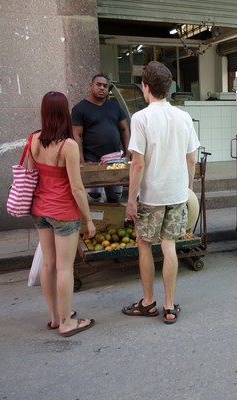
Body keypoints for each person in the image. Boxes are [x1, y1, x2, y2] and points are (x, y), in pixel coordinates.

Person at [122, 61, 200, 324]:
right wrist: (187, 189)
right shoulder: (184, 117)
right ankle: (169, 306)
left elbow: (138, 163)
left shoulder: (141, 118)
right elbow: (192, 159)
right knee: (169, 246)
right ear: (169, 88)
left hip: (152, 195)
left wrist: (130, 200)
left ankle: (148, 302)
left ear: (145, 87)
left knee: (144, 245)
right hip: (176, 194)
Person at [29, 92, 96, 337]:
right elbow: (77, 187)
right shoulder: (68, 146)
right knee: (65, 268)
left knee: (49, 264)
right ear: (65, 113)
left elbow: (30, 174)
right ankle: (68, 322)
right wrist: (89, 219)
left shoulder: (33, 139)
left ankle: (55, 317)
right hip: (63, 212)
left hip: (40, 210)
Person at [72, 73, 131, 203]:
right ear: (90, 86)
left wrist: (127, 154)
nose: (102, 88)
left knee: (115, 196)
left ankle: (112, 223)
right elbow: (76, 135)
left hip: (115, 162)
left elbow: (124, 129)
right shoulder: (80, 109)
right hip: (92, 162)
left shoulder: (114, 106)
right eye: (98, 84)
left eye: (105, 86)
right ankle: (95, 223)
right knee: (94, 198)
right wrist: (81, 162)